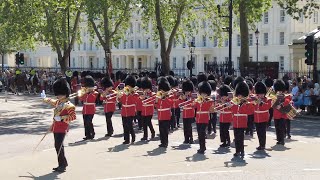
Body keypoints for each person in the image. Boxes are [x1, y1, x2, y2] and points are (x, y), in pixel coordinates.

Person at [42, 78, 76, 172]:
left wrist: (61, 118)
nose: (57, 96)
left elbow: (73, 117)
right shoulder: (59, 102)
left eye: (59, 94)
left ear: (65, 93)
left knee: (59, 145)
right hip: (56, 127)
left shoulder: (69, 105)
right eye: (57, 94)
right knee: (58, 145)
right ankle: (62, 163)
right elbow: (51, 101)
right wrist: (44, 98)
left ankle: (62, 165)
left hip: (62, 127)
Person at [230, 81, 252, 157]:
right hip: (235, 122)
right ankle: (237, 151)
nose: (239, 97)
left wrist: (244, 104)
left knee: (241, 137)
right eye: (238, 95)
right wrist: (230, 105)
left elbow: (249, 112)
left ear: (244, 95)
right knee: (236, 137)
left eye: (241, 95)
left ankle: (242, 151)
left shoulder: (247, 104)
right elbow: (232, 111)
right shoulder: (234, 103)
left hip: (242, 122)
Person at [118, 75, 139, 144]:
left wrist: (130, 94)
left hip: (131, 110)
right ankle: (126, 139)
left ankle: (133, 136)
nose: (128, 87)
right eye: (127, 86)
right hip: (124, 110)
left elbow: (134, 101)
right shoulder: (124, 93)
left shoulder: (135, 94)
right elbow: (121, 101)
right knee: (124, 125)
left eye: (129, 86)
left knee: (129, 125)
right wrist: (119, 96)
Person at [194, 81, 213, 154]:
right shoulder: (198, 100)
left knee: (202, 132)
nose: (203, 95)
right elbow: (194, 106)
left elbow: (211, 110)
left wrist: (206, 101)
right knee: (199, 133)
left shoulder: (209, 101)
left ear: (207, 93)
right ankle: (202, 147)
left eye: (204, 93)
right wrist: (194, 101)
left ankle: (202, 147)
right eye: (202, 93)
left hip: (205, 118)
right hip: (198, 118)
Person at [253, 81, 272, 150]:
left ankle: (263, 145)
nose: (261, 95)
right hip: (256, 117)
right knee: (258, 132)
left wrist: (261, 103)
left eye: (262, 94)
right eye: (259, 94)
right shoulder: (255, 98)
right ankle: (260, 144)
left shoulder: (268, 99)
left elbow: (268, 107)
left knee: (262, 132)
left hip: (264, 118)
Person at [79, 75, 98, 140]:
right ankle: (87, 135)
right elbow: (81, 99)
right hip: (85, 109)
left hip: (91, 109)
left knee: (88, 122)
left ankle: (92, 133)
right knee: (85, 122)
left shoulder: (94, 92)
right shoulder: (84, 91)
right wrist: (85, 93)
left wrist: (90, 92)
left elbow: (93, 98)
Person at [155, 77, 173, 148]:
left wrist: (165, 98)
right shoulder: (159, 96)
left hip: (166, 115)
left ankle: (165, 142)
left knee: (165, 130)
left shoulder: (169, 96)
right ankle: (162, 142)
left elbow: (170, 104)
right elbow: (156, 106)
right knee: (161, 129)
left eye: (162, 90)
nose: (161, 91)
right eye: (160, 89)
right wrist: (156, 101)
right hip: (160, 115)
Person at [273, 79, 290, 145]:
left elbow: (288, 101)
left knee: (281, 128)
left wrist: (282, 104)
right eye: (278, 91)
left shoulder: (285, 96)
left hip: (282, 115)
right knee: (277, 128)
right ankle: (279, 140)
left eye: (280, 91)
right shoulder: (274, 96)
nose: (279, 92)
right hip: (276, 114)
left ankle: (282, 140)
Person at [179, 79, 195, 144]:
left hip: (190, 112)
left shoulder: (192, 95)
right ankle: (186, 139)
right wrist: (183, 98)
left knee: (189, 126)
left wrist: (188, 97)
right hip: (185, 112)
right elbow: (179, 103)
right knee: (185, 126)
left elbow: (194, 103)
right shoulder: (183, 95)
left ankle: (191, 138)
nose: (187, 92)